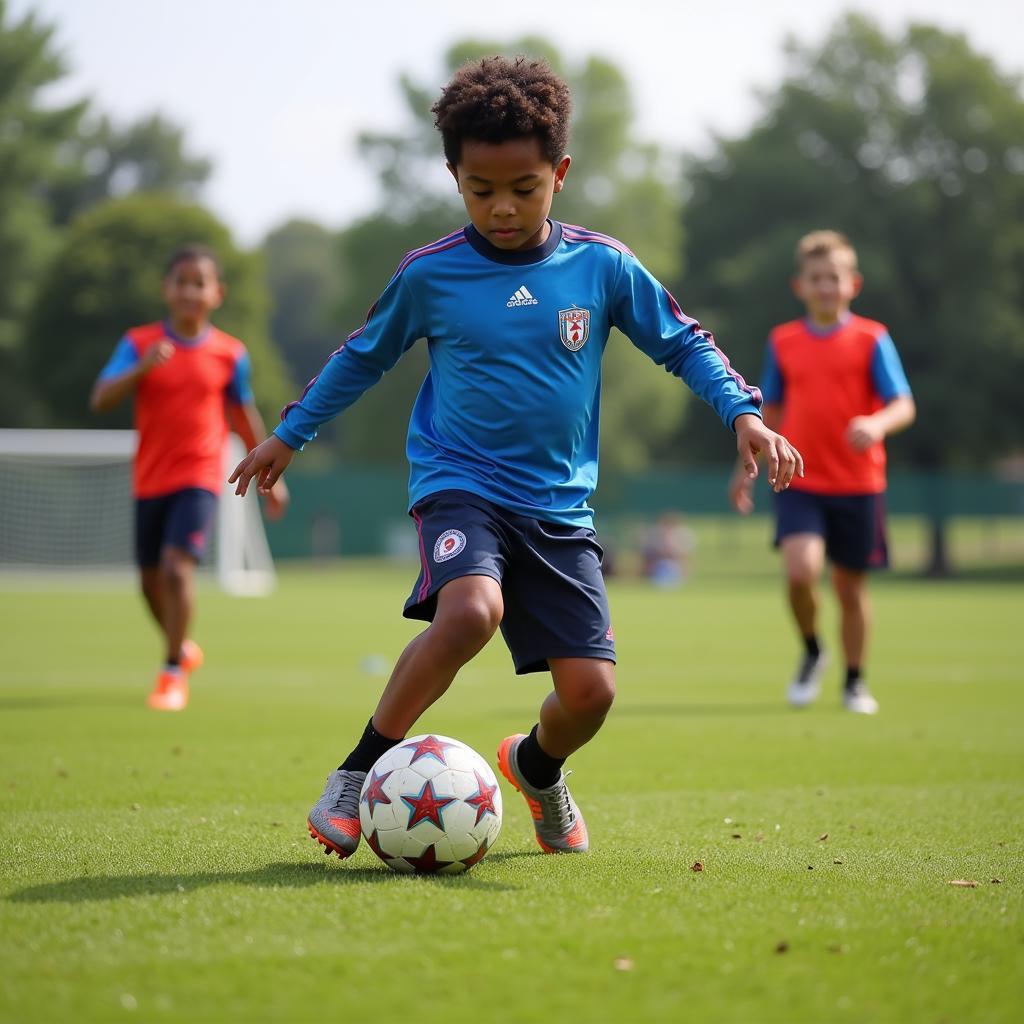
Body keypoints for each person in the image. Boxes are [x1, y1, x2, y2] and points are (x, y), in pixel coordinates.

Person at [231, 56, 802, 860]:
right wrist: (290, 433)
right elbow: (362, 355)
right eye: (480, 190)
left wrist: (743, 412)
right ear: (454, 176)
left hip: (559, 508)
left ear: (559, 174)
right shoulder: (430, 274)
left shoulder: (600, 265)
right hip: (459, 482)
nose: (501, 208)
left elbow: (682, 341)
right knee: (471, 611)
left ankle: (535, 769)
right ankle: (357, 774)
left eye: (523, 189)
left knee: (591, 695)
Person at [90, 244, 288, 712]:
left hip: (200, 476)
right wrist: (141, 369)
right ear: (167, 289)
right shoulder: (138, 343)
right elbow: (100, 398)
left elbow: (242, 415)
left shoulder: (229, 354)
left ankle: (171, 674)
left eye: (199, 283)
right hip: (149, 479)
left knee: (178, 568)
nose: (189, 291)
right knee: (148, 582)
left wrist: (271, 475)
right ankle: (182, 648)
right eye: (181, 281)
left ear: (216, 293)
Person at [729, 230, 915, 715]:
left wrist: (875, 424)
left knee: (850, 589)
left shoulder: (872, 338)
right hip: (800, 478)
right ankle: (813, 650)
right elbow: (770, 410)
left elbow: (903, 404)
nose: (825, 286)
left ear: (853, 283)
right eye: (816, 278)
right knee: (800, 572)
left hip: (859, 483)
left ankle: (855, 681)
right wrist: (745, 465)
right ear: (800, 286)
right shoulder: (784, 341)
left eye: (834, 277)